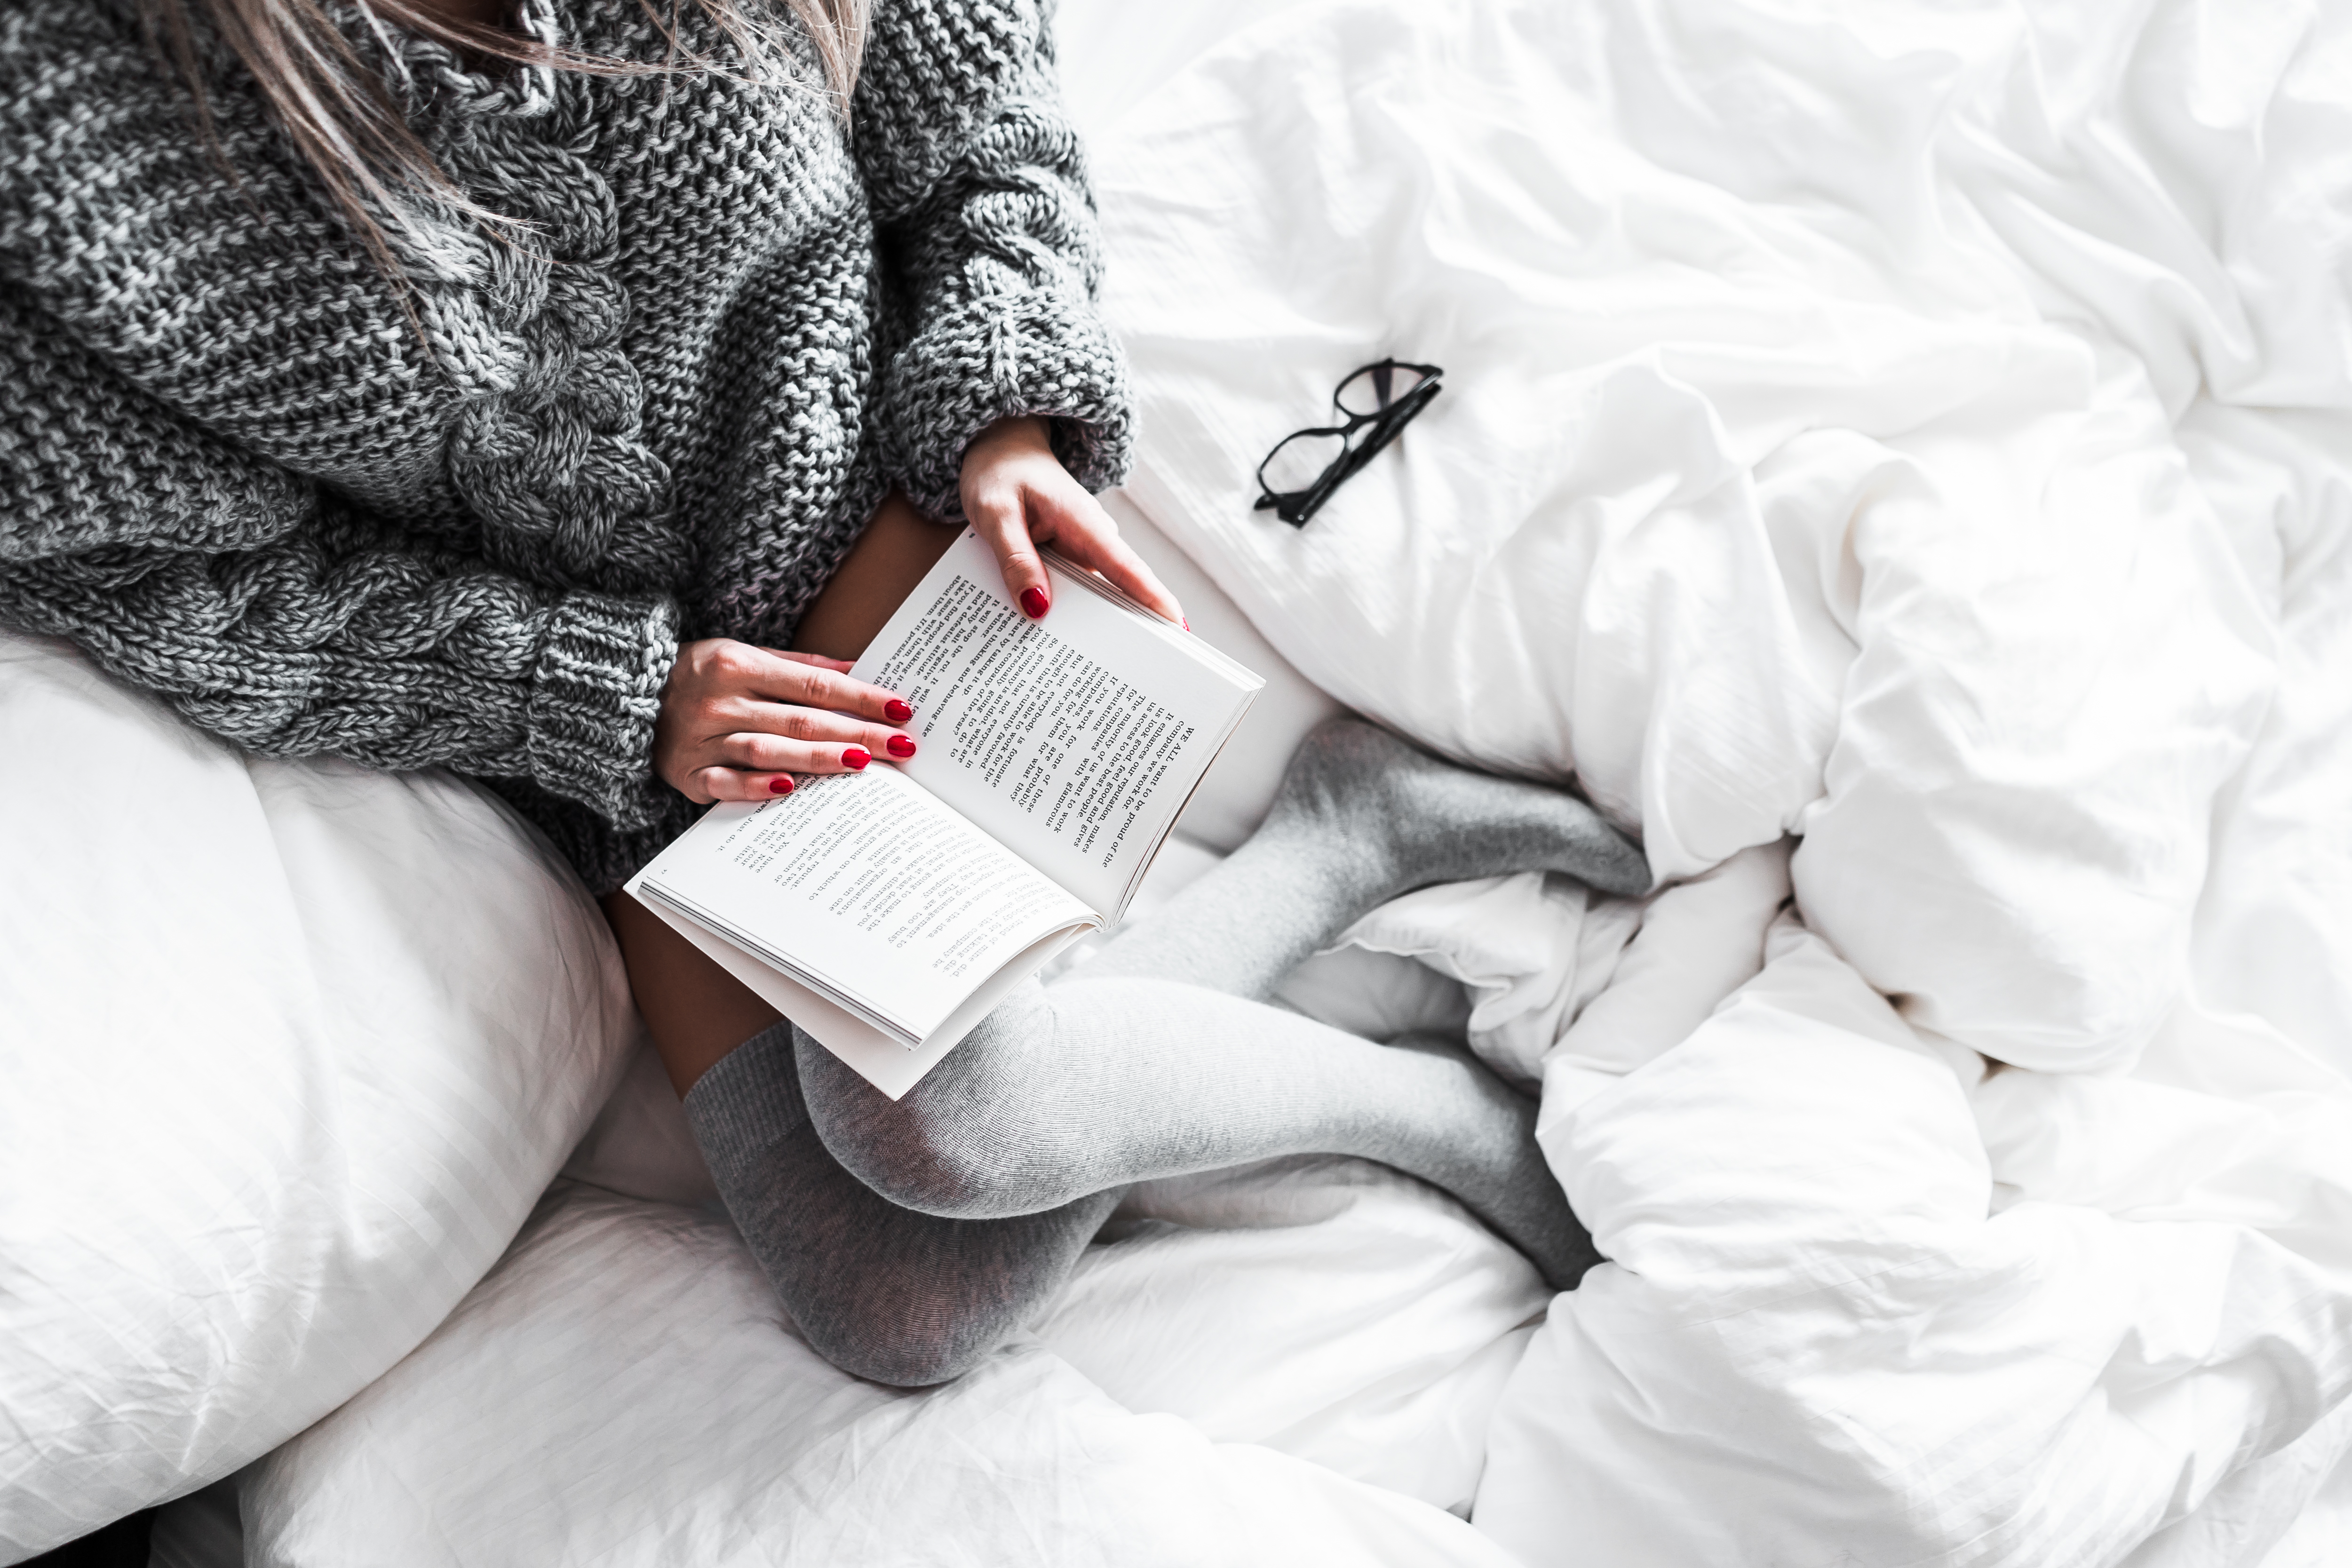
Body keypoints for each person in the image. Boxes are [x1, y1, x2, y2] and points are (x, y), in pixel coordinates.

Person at [0, 0, 1651, 1384]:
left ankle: (1442, 1124)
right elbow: (151, 571)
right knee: (901, 1311)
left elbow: (962, 34)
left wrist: (1006, 377)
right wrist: (594, 696)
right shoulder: (55, 113)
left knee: (945, 1120)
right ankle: (1340, 846)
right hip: (646, 703)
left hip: (877, 480)